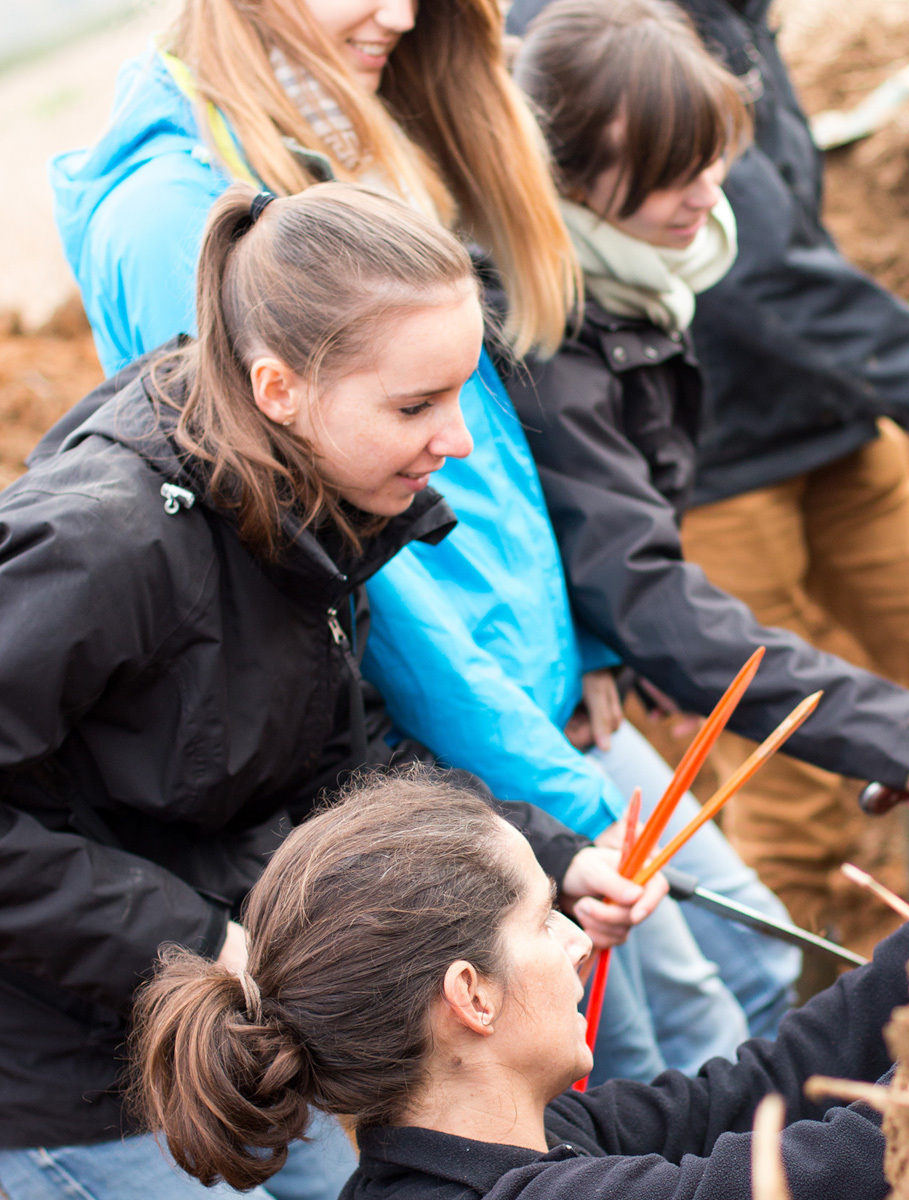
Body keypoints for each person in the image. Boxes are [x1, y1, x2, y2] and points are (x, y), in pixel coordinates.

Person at [50, 0, 802, 1083]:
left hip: (527, 714)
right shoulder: (179, 228)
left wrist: (580, 652)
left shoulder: (357, 123)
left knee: (703, 1020)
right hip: (479, 749)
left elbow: (478, 469)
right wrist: (557, 805)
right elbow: (369, 618)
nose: (403, 13)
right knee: (643, 1059)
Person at [0, 182, 665, 1200]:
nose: (460, 442)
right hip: (64, 1076)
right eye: (414, 407)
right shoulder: (104, 543)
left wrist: (554, 859)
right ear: (280, 387)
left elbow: (338, 768)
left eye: (460, 393)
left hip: (234, 1008)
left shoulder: (299, 498)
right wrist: (196, 938)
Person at [506, 0, 909, 930]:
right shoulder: (552, 317)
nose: (712, 195)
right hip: (722, 486)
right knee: (791, 807)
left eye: (716, 164)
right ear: (570, 179)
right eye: (674, 177)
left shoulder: (715, 66)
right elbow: (638, 579)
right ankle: (848, 1025)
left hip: (831, 429)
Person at [129, 765, 909, 1200]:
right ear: (471, 996)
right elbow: (832, 1166)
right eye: (541, 919)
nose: (578, 942)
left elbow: (780, 1083)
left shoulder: (527, 1141)